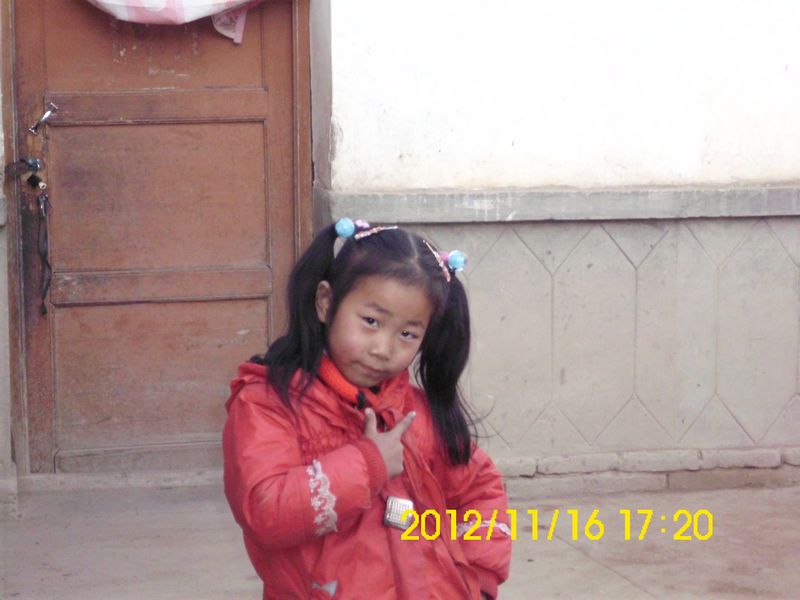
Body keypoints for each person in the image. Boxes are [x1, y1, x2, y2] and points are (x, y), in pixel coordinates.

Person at [223, 218, 512, 599]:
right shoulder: (267, 404)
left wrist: (480, 577)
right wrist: (368, 463)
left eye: (407, 333)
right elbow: (266, 512)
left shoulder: (414, 411)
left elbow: (479, 490)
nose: (383, 348)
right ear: (326, 302)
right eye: (371, 321)